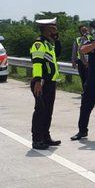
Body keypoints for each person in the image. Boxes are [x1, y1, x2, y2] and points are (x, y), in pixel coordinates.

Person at [30, 18, 62, 150]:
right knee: (40, 111)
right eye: (53, 28)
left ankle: (46, 137)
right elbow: (37, 63)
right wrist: (37, 81)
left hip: (50, 82)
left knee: (48, 111)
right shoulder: (39, 44)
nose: (55, 30)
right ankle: (37, 139)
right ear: (47, 29)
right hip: (41, 83)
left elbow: (58, 54)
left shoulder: (49, 44)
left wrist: (57, 39)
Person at [72, 25, 92, 92]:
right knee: (83, 77)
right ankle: (85, 92)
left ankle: (91, 93)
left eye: (85, 30)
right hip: (80, 61)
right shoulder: (78, 39)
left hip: (90, 60)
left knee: (89, 78)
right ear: (80, 31)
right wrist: (73, 61)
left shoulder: (91, 38)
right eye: (82, 30)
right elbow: (74, 51)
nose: (84, 31)